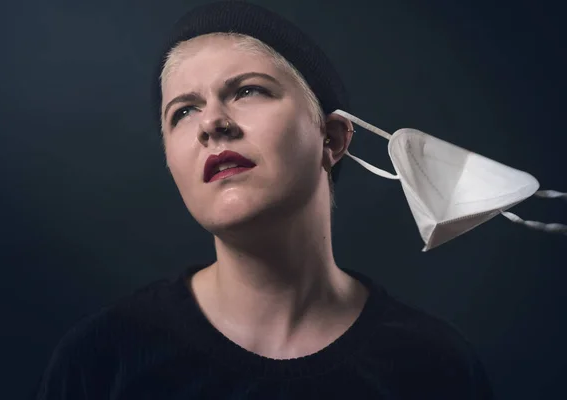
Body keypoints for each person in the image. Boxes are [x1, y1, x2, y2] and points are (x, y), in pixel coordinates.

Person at [35, 1, 494, 398]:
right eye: (183, 111)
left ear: (331, 138)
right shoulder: (100, 360)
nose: (211, 123)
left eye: (248, 90)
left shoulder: (438, 367)